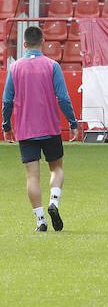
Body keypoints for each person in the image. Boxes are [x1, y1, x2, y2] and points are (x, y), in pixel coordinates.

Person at [3, 26, 79, 232]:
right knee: (56, 168)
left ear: (25, 45)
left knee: (32, 177)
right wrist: (73, 123)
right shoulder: (52, 65)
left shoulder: (15, 67)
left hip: (26, 129)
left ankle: (40, 221)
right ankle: (54, 201)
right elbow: (63, 98)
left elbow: (7, 100)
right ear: (43, 42)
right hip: (50, 127)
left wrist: (6, 125)